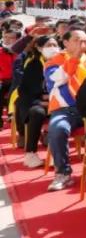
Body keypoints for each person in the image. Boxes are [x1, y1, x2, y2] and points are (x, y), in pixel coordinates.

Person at [43, 28, 86, 191]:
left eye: (84, 41)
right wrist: (75, 58)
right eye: (77, 40)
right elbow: (58, 79)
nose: (82, 44)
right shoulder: (53, 62)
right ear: (65, 43)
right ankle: (63, 173)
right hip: (65, 109)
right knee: (57, 128)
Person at [14, 35, 53, 169]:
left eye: (55, 45)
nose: (53, 48)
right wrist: (43, 100)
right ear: (39, 48)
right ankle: (31, 153)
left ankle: (56, 154)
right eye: (48, 45)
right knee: (37, 113)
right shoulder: (33, 64)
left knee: (62, 114)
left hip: (59, 101)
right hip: (36, 101)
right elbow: (27, 90)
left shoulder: (63, 62)